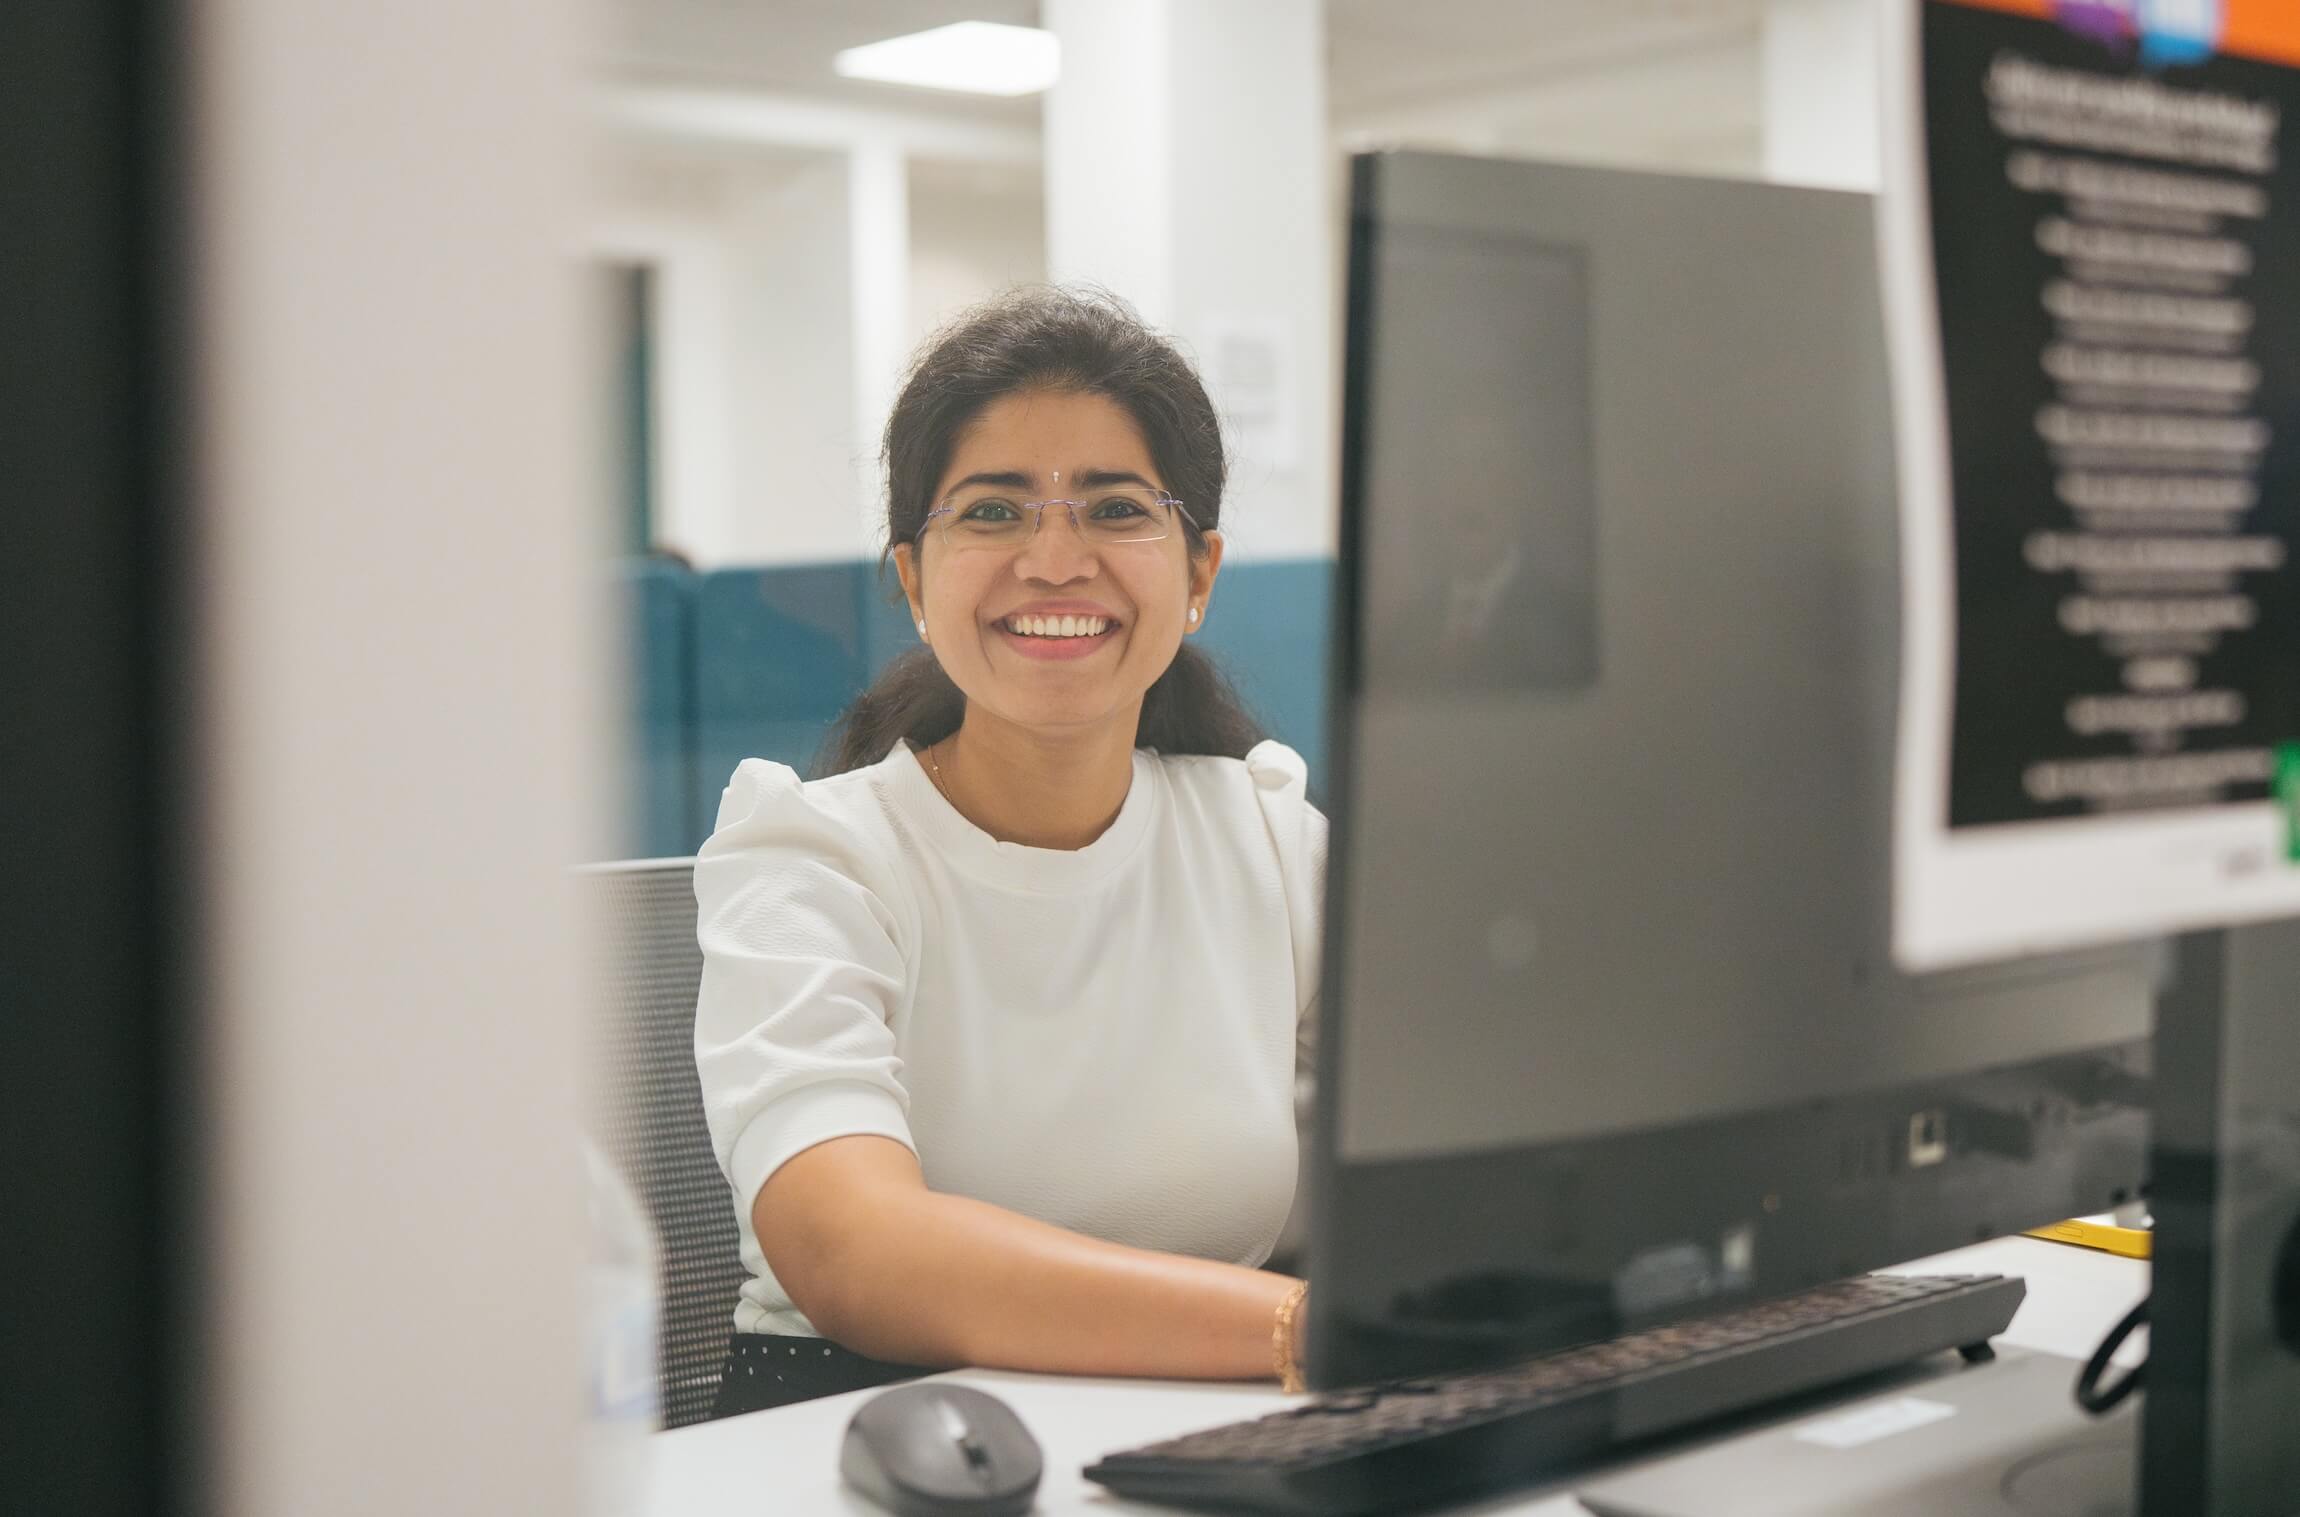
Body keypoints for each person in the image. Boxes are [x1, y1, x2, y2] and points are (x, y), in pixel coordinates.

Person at [693, 287, 1326, 1414]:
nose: (1051, 558)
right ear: (912, 580)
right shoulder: (810, 857)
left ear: (1197, 573)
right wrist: (1300, 1328)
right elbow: (852, 1248)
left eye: (1114, 506)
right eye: (990, 511)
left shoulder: (1271, 840)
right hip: (868, 1429)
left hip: (1213, 1420)